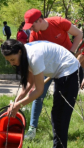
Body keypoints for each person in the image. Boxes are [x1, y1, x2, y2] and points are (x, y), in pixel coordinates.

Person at [1, 39, 83, 148]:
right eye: (9, 61)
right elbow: (29, 83)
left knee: (60, 117)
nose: (12, 63)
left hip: (71, 72)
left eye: (13, 59)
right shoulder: (25, 54)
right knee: (57, 115)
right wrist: (16, 102)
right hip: (62, 74)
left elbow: (39, 90)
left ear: (19, 51)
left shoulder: (34, 57)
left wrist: (19, 105)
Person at [22, 8, 83, 140]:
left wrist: (71, 53)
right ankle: (32, 129)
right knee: (38, 94)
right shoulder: (34, 35)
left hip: (65, 68)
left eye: (32, 25)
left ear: (40, 20)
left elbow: (79, 34)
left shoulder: (59, 22)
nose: (31, 29)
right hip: (46, 67)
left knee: (60, 102)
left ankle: (59, 131)